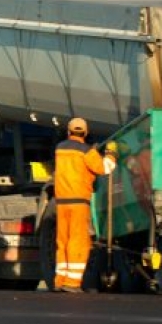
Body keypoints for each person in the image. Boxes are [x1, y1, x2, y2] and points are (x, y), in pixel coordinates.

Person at [53, 117, 112, 293]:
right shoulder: (87, 151)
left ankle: (60, 280)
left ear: (68, 131)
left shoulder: (60, 149)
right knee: (78, 241)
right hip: (79, 201)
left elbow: (74, 163)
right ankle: (72, 283)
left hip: (62, 201)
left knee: (62, 241)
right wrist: (110, 154)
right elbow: (104, 168)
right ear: (85, 133)